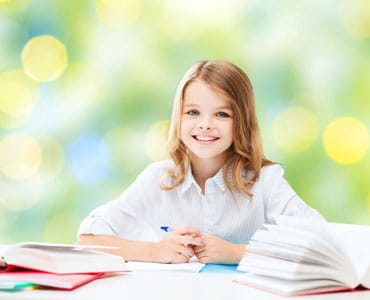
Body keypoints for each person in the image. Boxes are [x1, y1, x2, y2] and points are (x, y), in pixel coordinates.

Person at [77, 60, 323, 264]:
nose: (205, 124)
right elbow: (88, 240)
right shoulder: (158, 180)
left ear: (243, 122)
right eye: (193, 112)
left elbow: (320, 241)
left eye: (222, 114)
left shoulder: (265, 182)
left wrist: (237, 253)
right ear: (179, 117)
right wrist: (156, 251)